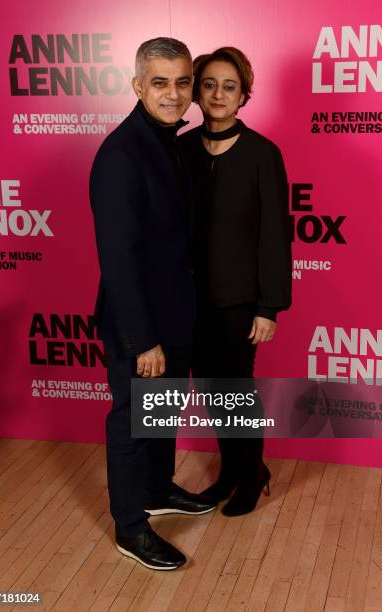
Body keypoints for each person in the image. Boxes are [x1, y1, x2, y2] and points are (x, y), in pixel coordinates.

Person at [89, 37, 215, 571]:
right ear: (138, 85)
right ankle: (130, 526)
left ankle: (158, 490)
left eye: (182, 82)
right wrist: (143, 340)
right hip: (138, 325)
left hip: (175, 311)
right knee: (132, 424)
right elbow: (119, 260)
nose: (173, 93)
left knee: (160, 414)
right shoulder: (121, 155)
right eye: (159, 82)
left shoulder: (169, 140)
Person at [179, 47, 292, 516]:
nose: (218, 94)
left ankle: (252, 473)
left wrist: (268, 307)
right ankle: (229, 471)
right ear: (196, 93)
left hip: (240, 302)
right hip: (188, 299)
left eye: (229, 86)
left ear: (244, 94)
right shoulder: (180, 149)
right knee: (211, 389)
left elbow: (275, 237)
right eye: (209, 84)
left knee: (236, 390)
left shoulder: (264, 154)